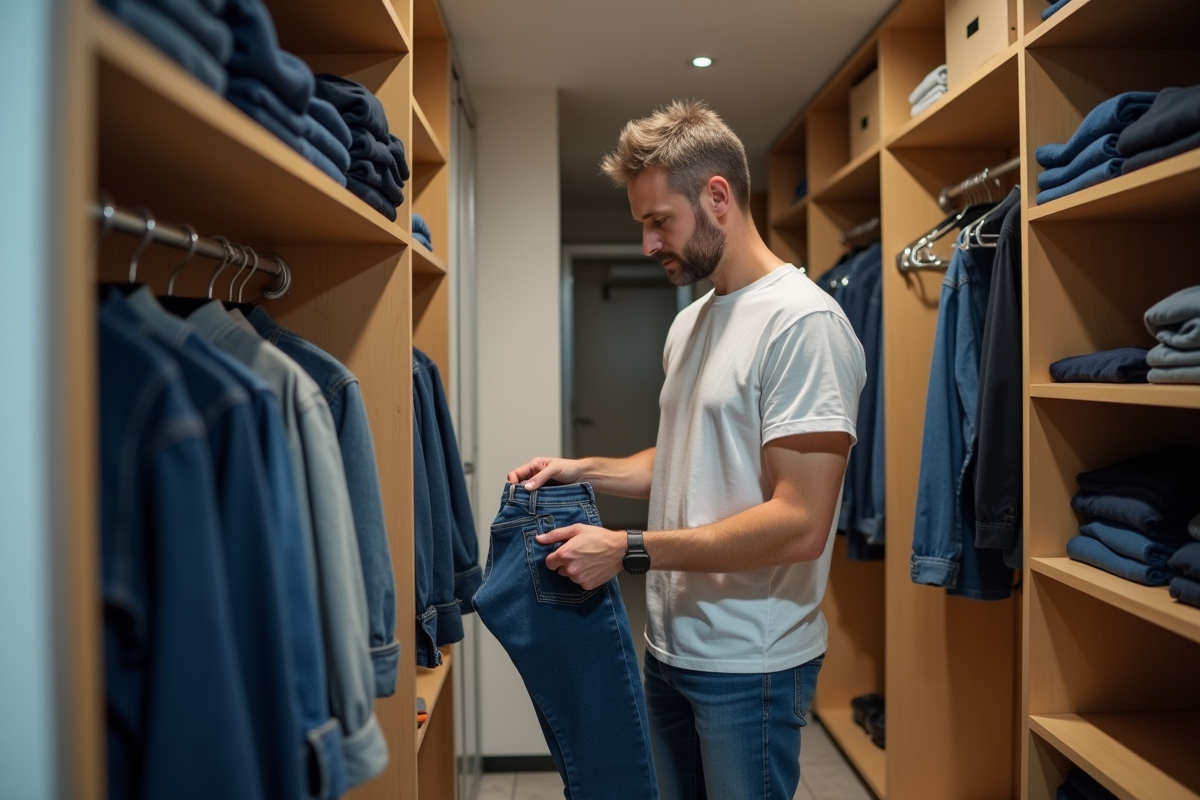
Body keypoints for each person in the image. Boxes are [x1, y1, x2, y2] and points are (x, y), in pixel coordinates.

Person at [507, 100, 866, 800]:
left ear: (718, 197)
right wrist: (581, 469)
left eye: (658, 221)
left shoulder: (804, 324)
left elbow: (800, 522)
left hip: (750, 662)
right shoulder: (693, 321)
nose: (648, 243)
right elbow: (685, 457)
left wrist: (628, 549)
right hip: (669, 650)